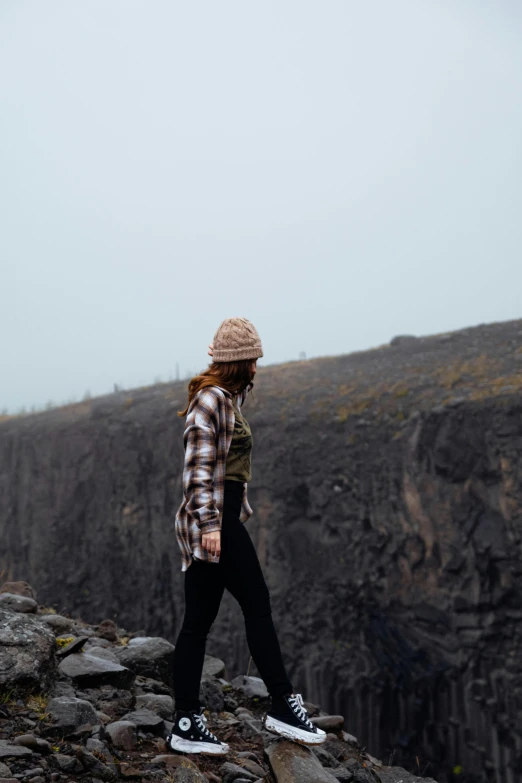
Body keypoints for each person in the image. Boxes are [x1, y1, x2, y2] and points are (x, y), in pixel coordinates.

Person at [167, 316, 326, 755]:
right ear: (237, 363)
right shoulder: (211, 401)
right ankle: (281, 704)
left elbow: (228, 470)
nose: (257, 368)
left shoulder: (227, 400)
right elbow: (197, 472)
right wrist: (213, 525)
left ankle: (186, 721)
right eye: (253, 360)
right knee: (256, 605)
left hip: (222, 520)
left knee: (197, 624)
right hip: (215, 526)